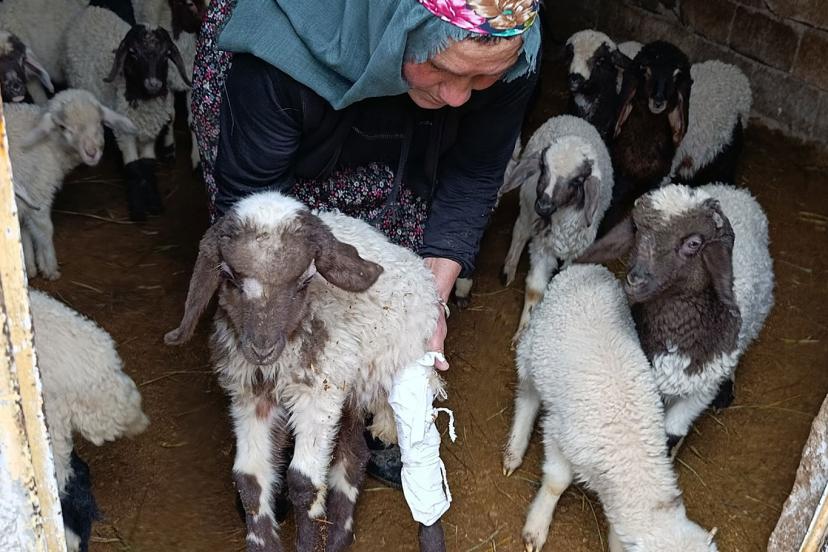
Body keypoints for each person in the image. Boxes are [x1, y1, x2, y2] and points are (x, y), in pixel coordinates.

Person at [191, 0, 541, 548]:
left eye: (482, 79)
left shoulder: (508, 44)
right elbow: (257, 226)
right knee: (279, 322)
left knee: (373, 291)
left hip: (401, 148)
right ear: (398, 21)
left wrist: (426, 301)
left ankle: (354, 417)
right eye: (444, 68)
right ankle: (273, 448)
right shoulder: (274, 61)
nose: (459, 96)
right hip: (292, 143)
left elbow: (474, 171)